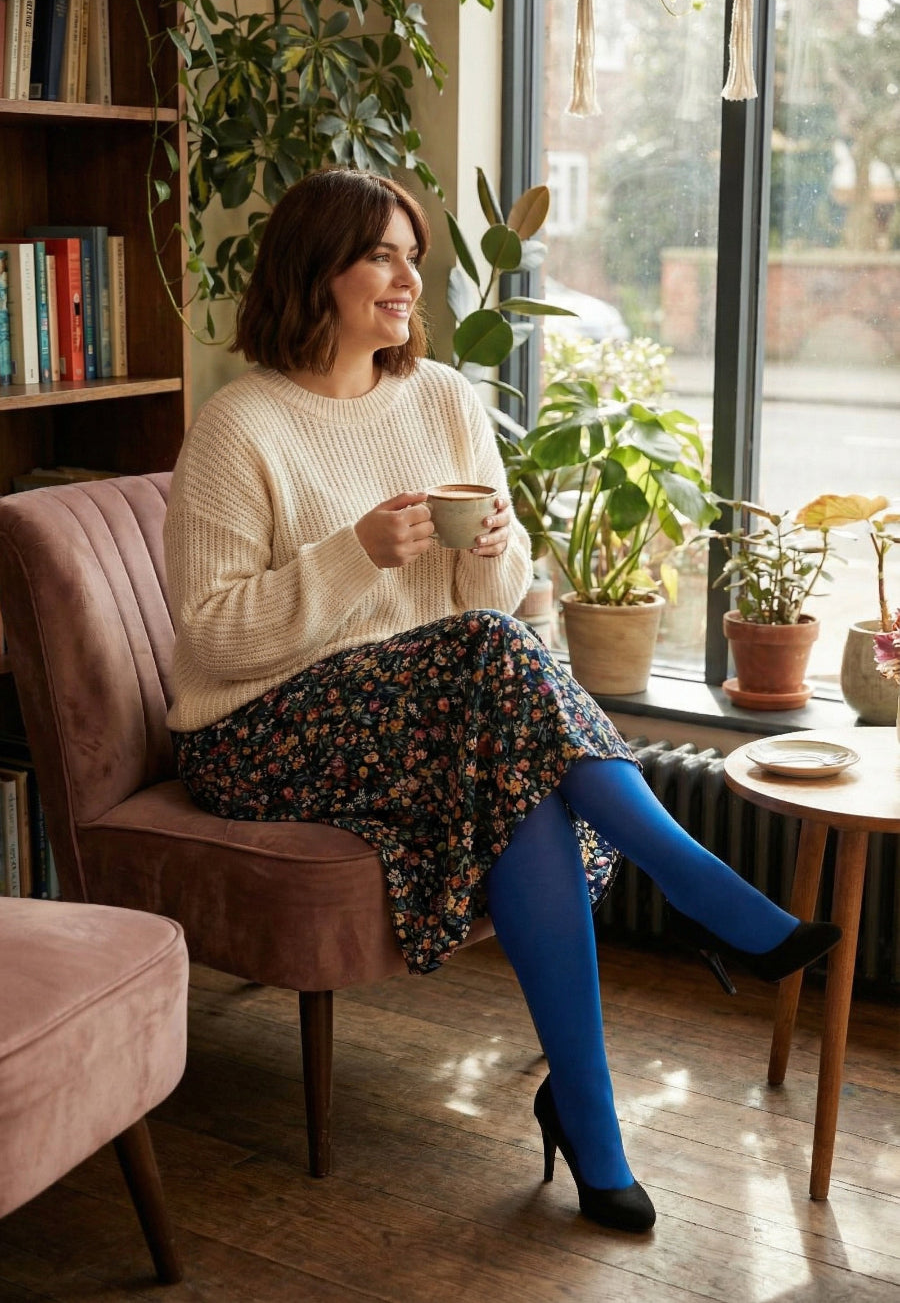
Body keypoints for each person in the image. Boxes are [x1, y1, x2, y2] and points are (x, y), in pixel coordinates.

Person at [164, 167, 841, 1235]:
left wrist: (493, 547)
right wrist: (350, 558)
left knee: (521, 765)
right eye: (383, 253)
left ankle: (593, 1125)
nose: (408, 276)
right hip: (260, 728)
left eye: (411, 253)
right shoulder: (239, 426)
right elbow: (208, 635)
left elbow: (491, 597)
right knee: (490, 665)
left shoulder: (441, 399)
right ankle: (705, 891)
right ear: (317, 272)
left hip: (420, 707)